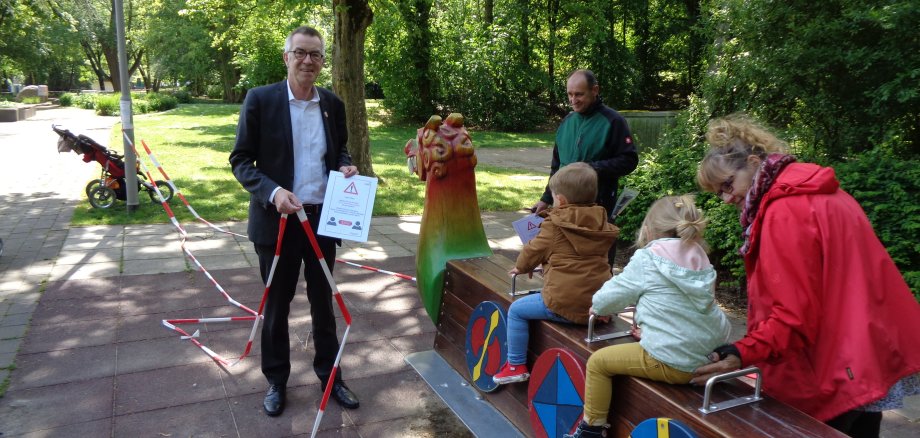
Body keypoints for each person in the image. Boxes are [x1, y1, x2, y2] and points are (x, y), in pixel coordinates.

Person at [691, 114, 920, 437]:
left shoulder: (784, 210)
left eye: (728, 184)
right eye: (718, 193)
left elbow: (792, 317)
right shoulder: (820, 191)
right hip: (868, 353)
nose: (727, 198)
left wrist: (743, 352)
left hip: (835, 366)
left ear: (754, 163)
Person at [229, 25, 360, 417]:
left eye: (315, 55)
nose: (308, 61)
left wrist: (346, 165)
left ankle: (330, 377)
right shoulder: (260, 100)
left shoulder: (332, 104)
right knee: (277, 307)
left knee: (324, 303)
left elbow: (340, 151)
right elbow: (240, 161)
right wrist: (273, 192)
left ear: (322, 61)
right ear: (286, 57)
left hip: (322, 221)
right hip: (278, 223)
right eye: (300, 53)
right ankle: (276, 381)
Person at [563, 194, 732, 438]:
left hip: (672, 361)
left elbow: (615, 293)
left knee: (598, 363)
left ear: (650, 229)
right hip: (706, 354)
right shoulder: (699, 257)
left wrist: (598, 307)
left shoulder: (649, 258)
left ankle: (591, 429)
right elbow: (684, 308)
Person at [493, 163, 619, 384]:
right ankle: (595, 313)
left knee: (516, 310)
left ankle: (515, 364)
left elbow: (534, 249)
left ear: (560, 200)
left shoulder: (555, 225)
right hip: (599, 304)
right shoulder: (601, 221)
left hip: (564, 304)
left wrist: (522, 267)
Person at [532, 69, 639, 265]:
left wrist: (590, 168)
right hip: (563, 209)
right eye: (570, 94)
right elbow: (557, 166)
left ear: (595, 90)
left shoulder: (613, 121)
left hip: (597, 208)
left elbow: (629, 160)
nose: (573, 100)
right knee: (566, 258)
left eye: (579, 94)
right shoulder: (567, 122)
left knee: (597, 263)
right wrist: (546, 198)